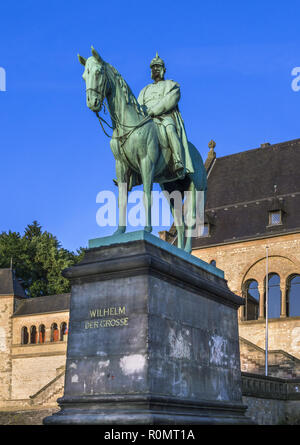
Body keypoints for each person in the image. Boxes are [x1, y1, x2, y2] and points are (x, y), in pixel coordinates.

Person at [138, 53, 194, 179]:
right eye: (153, 67)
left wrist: (152, 111)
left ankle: (177, 159)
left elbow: (168, 101)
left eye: (158, 67)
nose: (155, 69)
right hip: (146, 120)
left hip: (164, 117)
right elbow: (138, 106)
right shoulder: (144, 90)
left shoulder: (171, 85)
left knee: (170, 128)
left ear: (163, 69)